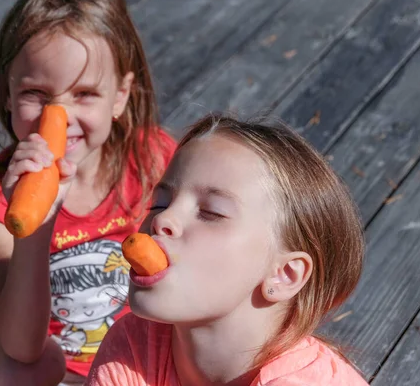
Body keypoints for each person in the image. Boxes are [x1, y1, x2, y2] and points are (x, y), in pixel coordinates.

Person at [0, 0, 176, 384]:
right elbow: (21, 347)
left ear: (120, 97)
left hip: (132, 357)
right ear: (7, 94)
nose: (59, 116)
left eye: (85, 94)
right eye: (35, 94)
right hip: (38, 360)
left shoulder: (156, 161)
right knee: (15, 371)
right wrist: (35, 223)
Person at [86, 112, 369, 385]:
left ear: (284, 274)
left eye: (211, 212)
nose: (162, 219)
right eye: (158, 203)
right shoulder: (133, 347)